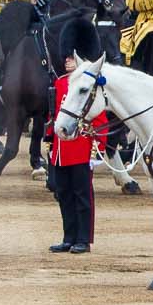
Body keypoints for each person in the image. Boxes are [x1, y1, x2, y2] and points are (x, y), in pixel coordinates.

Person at [47, 55, 102, 255]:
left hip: (80, 148)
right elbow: (54, 115)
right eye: (66, 58)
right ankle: (68, 237)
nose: (67, 61)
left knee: (82, 195)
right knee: (64, 195)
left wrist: (97, 149)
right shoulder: (60, 82)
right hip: (61, 149)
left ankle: (83, 239)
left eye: (71, 58)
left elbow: (99, 118)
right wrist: (50, 141)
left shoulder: (86, 86)